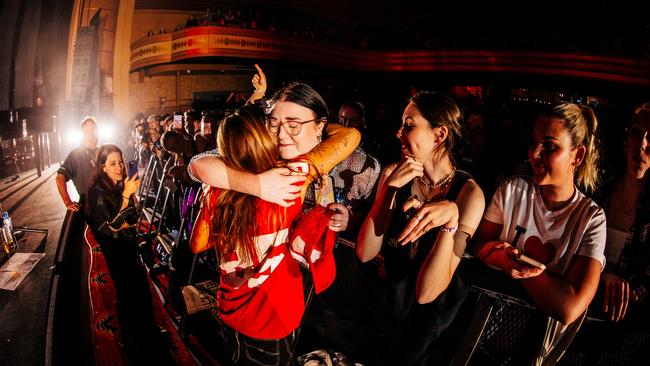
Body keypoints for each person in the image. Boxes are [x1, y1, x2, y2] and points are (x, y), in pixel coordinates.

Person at [188, 105, 361, 365]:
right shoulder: (289, 179)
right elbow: (351, 136)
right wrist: (314, 125)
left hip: (230, 306)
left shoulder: (217, 190)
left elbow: (197, 244)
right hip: (273, 316)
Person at [470, 102, 606, 364]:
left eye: (550, 145)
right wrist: (497, 257)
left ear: (577, 156)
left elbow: (569, 307)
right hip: (479, 338)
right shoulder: (512, 191)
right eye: (534, 142)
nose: (535, 153)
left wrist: (512, 260)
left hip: (535, 353)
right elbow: (478, 245)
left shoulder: (591, 219)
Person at [357, 91, 485, 365]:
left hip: (430, 330)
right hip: (389, 311)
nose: (398, 132)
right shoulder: (395, 173)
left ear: (439, 135)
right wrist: (387, 192)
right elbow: (365, 253)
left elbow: (428, 292)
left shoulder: (468, 194)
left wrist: (450, 223)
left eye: (409, 125)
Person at [571, 104, 650, 363]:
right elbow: (570, 245)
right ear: (626, 137)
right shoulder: (599, 189)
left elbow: (643, 287)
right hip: (576, 317)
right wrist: (602, 274)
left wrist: (623, 293)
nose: (642, 145)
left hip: (621, 338)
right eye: (637, 133)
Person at [85, 144, 172, 364]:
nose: (119, 167)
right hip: (116, 250)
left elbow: (130, 219)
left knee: (142, 290)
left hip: (128, 246)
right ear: (102, 166)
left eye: (120, 162)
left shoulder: (118, 185)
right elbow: (110, 227)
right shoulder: (98, 190)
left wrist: (130, 199)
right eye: (112, 163)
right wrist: (125, 197)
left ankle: (149, 333)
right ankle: (134, 346)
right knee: (127, 293)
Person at [56, 116, 98, 211]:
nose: (91, 133)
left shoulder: (102, 152)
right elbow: (60, 178)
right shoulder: (75, 154)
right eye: (87, 130)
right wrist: (68, 202)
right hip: (88, 206)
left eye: (94, 129)